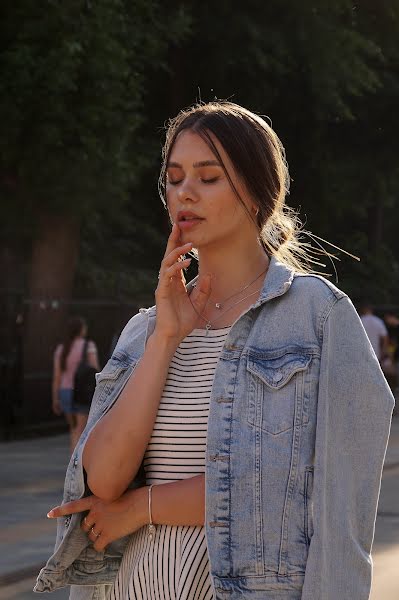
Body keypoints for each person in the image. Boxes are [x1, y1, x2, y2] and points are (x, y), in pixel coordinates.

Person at [37, 102, 394, 600]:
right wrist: (166, 338)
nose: (185, 191)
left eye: (208, 178)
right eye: (175, 177)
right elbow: (104, 482)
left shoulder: (319, 318)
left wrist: (144, 507)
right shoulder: (144, 331)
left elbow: (320, 505)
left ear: (255, 191)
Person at [52, 316, 100, 453]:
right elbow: (95, 369)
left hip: (65, 391)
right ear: (81, 329)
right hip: (82, 391)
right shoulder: (88, 346)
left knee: (73, 428)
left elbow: (57, 376)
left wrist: (55, 398)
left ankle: (73, 462)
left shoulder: (61, 349)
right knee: (81, 429)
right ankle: (76, 463)